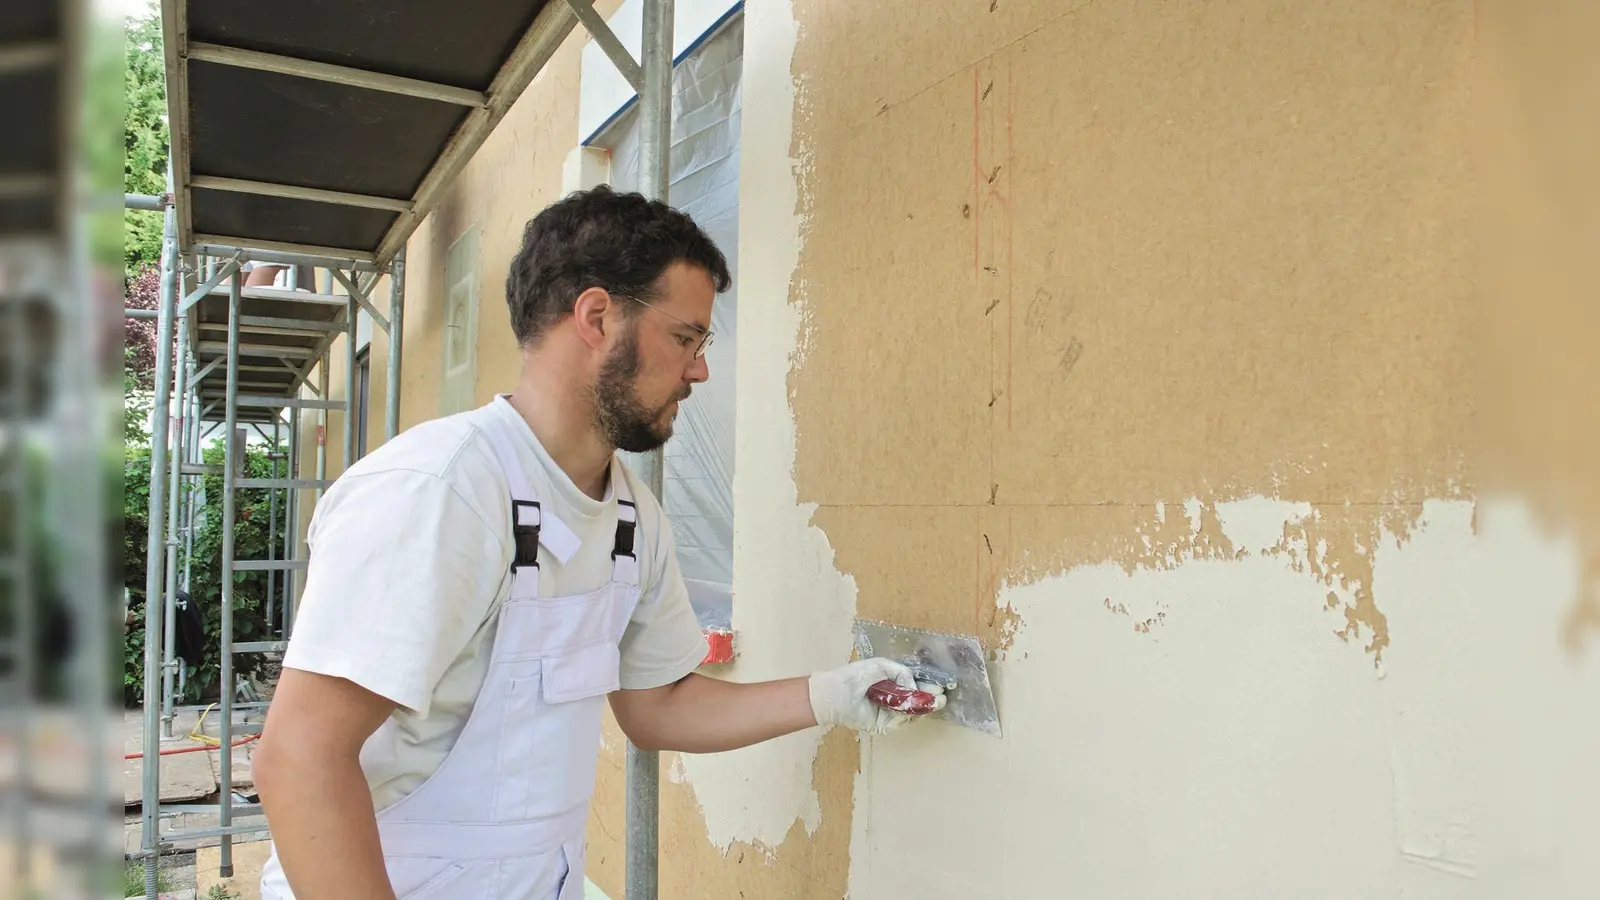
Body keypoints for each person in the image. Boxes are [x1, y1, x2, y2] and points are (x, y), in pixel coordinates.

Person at [252, 186, 945, 900]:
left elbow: (659, 706)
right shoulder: (443, 491)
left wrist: (832, 694)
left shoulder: (631, 521)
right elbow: (301, 758)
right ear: (595, 316)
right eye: (686, 338)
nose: (700, 369)